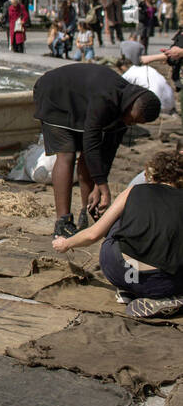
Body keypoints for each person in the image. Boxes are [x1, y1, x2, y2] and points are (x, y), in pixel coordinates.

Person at [33, 62, 161, 239]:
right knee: (67, 154)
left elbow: (107, 151)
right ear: (132, 106)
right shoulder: (107, 98)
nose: (132, 124)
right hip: (53, 96)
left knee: (89, 155)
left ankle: (87, 210)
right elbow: (91, 140)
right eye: (134, 119)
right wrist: (103, 187)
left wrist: (99, 186)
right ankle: (62, 222)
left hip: (78, 104)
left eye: (138, 123)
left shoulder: (124, 111)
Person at [53, 151, 183, 319]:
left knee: (118, 223)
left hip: (121, 271)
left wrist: (65, 243)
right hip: (164, 283)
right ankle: (165, 297)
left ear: (152, 174)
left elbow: (93, 235)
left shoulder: (132, 191)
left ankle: (128, 290)